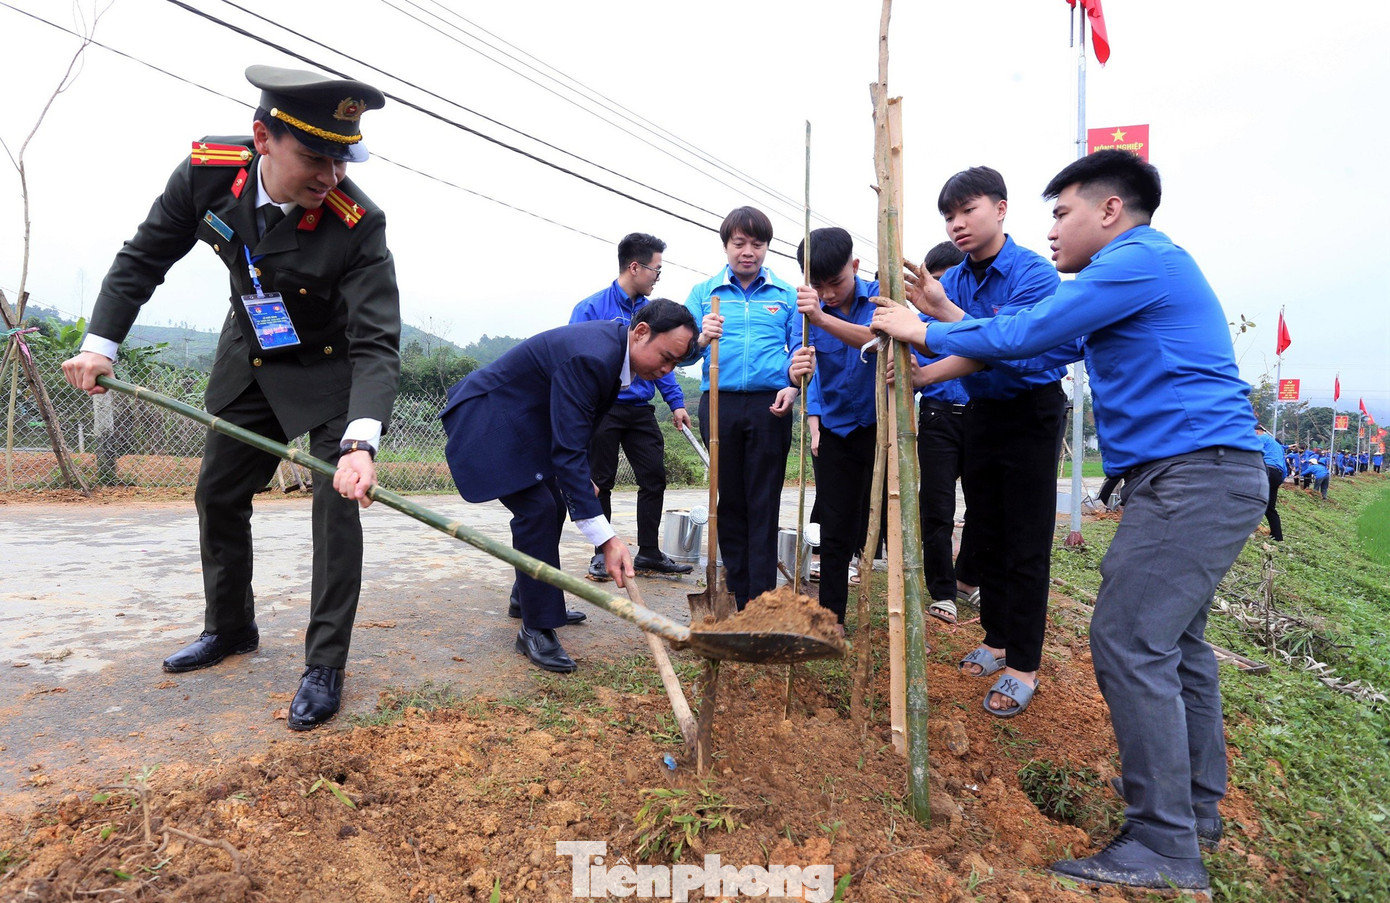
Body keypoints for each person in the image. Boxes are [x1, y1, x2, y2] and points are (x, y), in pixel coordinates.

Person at [874, 149, 1268, 892]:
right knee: (1177, 643)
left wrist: (921, 329)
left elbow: (1024, 334)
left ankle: (1162, 841)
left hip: (1191, 475)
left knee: (1129, 637)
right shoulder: (1128, 278)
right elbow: (1035, 338)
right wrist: (940, 326)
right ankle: (1195, 807)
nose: (1052, 230)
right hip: (1197, 473)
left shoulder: (1136, 262)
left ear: (1109, 210)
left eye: (1062, 213)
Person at [61, 66, 400, 731]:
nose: (331, 175)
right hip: (252, 350)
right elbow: (143, 258)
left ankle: (324, 662)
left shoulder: (358, 223)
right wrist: (102, 344)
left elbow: (376, 343)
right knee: (217, 491)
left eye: (342, 157)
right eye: (315, 156)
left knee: (335, 507)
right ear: (262, 139)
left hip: (332, 367)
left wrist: (360, 441)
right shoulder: (209, 172)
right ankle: (231, 627)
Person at [889, 166, 1074, 718]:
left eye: (969, 210)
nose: (958, 225)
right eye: (949, 216)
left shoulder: (1034, 276)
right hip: (984, 409)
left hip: (1032, 411)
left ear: (1001, 208)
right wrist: (924, 375)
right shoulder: (961, 279)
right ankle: (995, 640)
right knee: (987, 532)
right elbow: (974, 351)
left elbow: (1011, 346)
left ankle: (1023, 662)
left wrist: (938, 311)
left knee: (1025, 539)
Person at [440, 300, 697, 673]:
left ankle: (527, 598)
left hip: (522, 425)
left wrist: (579, 478)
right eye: (666, 357)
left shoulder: (613, 354)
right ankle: (536, 628)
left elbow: (574, 429)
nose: (667, 370)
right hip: (489, 421)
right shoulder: (592, 356)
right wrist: (607, 539)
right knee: (538, 510)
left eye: (675, 364)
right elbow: (567, 446)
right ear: (641, 333)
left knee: (554, 502)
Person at [684, 207, 800, 609]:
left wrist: (793, 384)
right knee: (730, 497)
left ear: (766, 248)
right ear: (726, 245)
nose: (748, 251)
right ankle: (736, 585)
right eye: (739, 243)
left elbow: (800, 350)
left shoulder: (785, 295)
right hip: (719, 404)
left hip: (772, 406)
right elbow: (679, 352)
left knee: (763, 497)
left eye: (757, 244)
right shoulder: (705, 293)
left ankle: (761, 597)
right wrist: (700, 339)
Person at [569, 233, 693, 583]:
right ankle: (600, 554)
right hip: (604, 408)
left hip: (640, 409)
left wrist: (677, 402)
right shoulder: (591, 309)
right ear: (635, 267)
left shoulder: (654, 314)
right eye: (656, 269)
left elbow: (662, 361)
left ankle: (649, 553)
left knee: (654, 476)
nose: (657, 277)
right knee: (600, 481)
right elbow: (575, 362)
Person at [788, 227, 878, 628]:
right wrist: (796, 371)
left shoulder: (879, 295)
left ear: (855, 267)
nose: (827, 294)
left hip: (884, 429)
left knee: (880, 521)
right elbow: (799, 357)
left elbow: (878, 338)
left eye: (836, 282)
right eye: (818, 286)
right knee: (836, 527)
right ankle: (832, 618)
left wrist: (821, 318)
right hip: (837, 429)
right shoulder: (804, 311)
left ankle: (895, 611)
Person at [908, 241, 979, 624]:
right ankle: (943, 591)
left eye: (944, 280)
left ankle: (968, 578)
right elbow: (909, 380)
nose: (936, 289)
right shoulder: (920, 325)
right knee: (937, 507)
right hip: (937, 420)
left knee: (983, 507)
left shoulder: (976, 320)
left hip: (982, 417)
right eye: (932, 280)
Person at [1255, 424, 1286, 541]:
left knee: (1249, 497)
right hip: (1277, 475)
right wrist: (1280, 481)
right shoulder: (1278, 446)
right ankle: (1277, 537)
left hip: (1267, 470)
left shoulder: (1261, 438)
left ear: (1256, 432)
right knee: (1270, 508)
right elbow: (1284, 467)